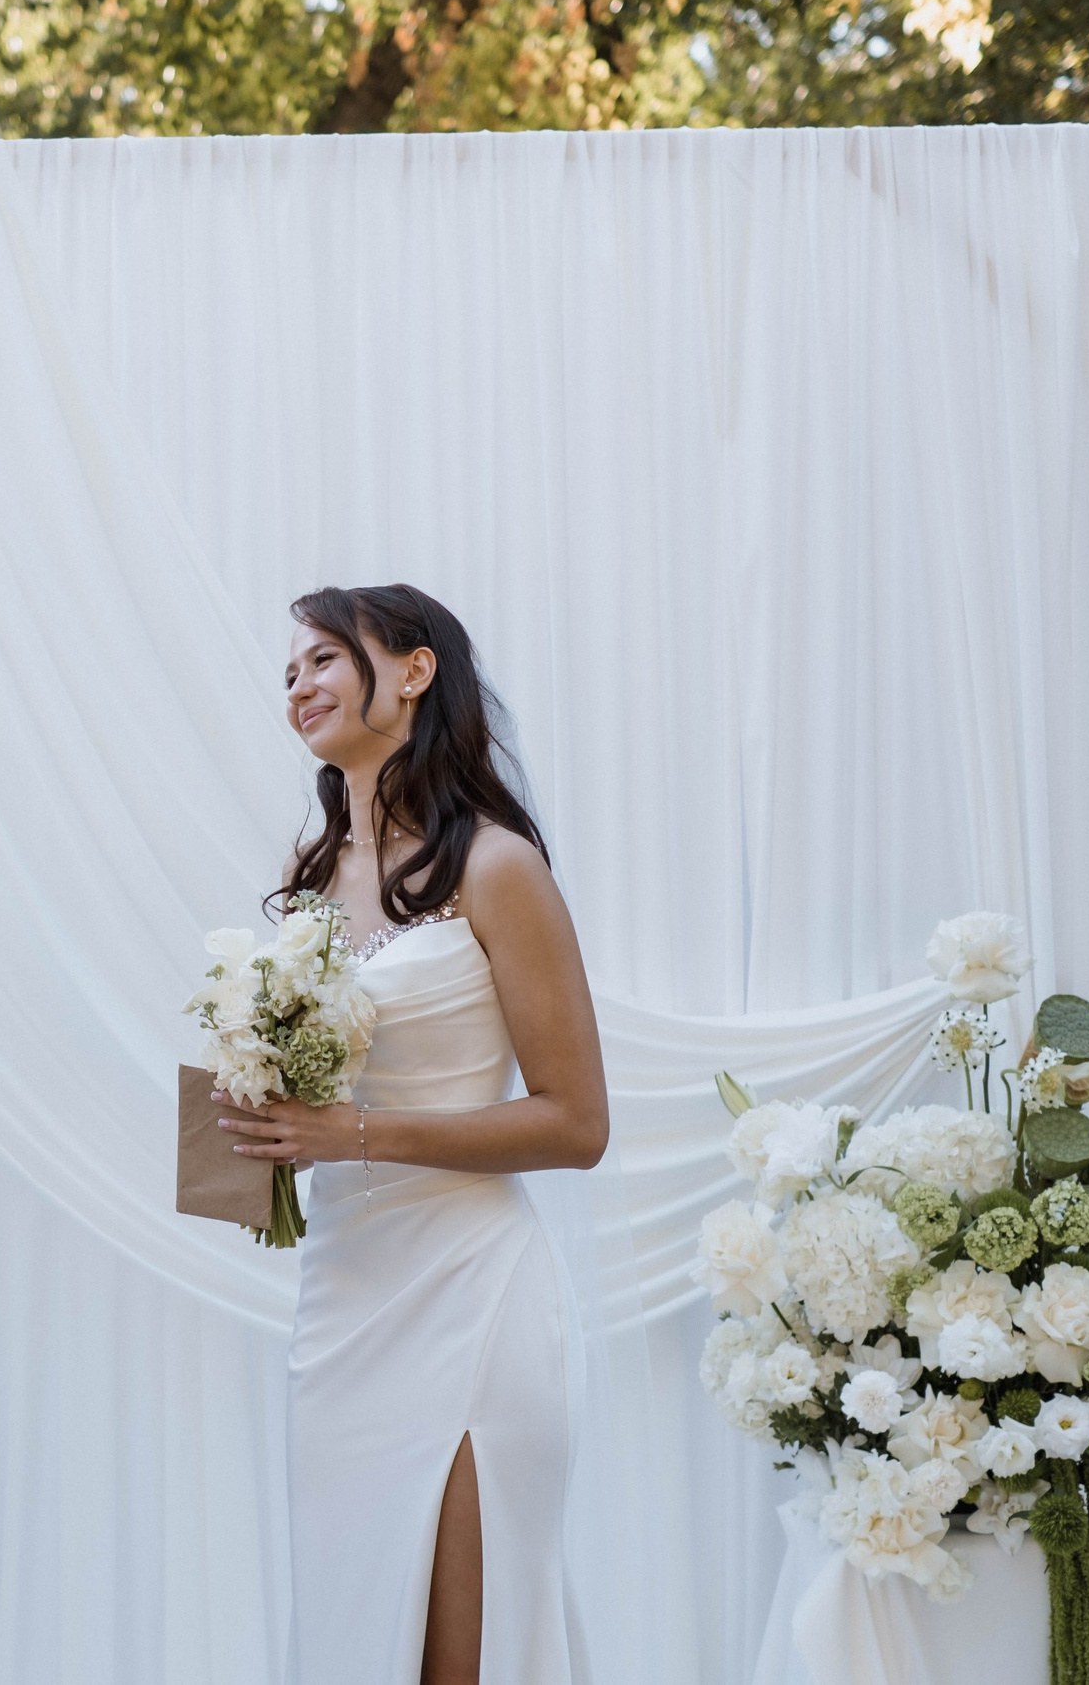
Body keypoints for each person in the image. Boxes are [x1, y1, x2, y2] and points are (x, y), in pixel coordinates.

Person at [213, 584, 610, 1685]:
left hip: (471, 1293)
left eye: (322, 658)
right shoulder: (302, 886)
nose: (296, 682)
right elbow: (279, 1107)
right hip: (339, 1306)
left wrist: (356, 1133)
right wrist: (240, 1121)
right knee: (352, 1633)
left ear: (414, 670)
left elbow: (577, 1124)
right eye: (287, 668)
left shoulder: (497, 866)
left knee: (461, 1652)